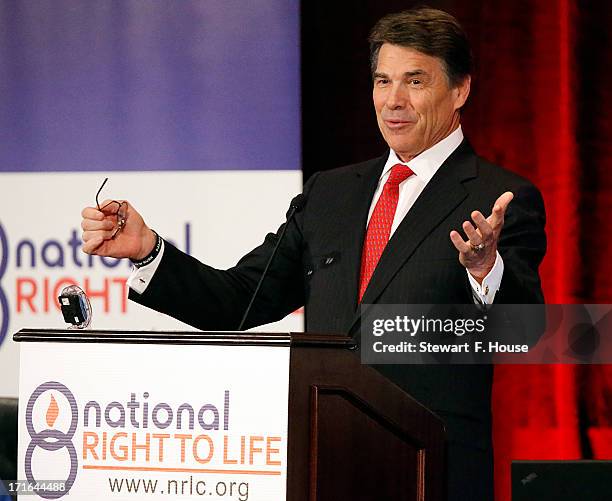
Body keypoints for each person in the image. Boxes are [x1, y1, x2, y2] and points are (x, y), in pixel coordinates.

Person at [81, 7, 546, 500]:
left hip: (431, 473)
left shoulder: (498, 198)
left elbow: (523, 332)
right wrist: (149, 250)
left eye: (415, 81)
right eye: (383, 81)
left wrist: (484, 270)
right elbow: (238, 300)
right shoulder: (330, 194)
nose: (394, 101)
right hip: (324, 463)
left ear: (460, 90)